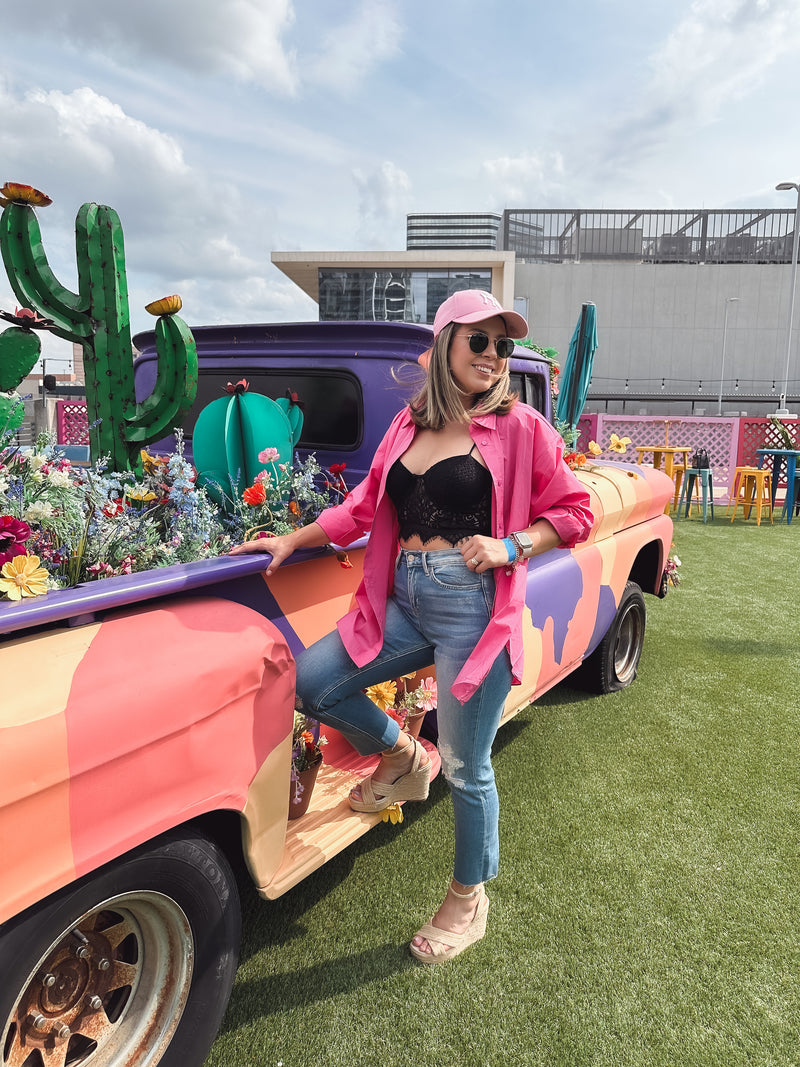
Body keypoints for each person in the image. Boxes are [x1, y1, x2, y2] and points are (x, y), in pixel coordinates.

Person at [230, 289, 593, 963]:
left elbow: (576, 511)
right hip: (401, 599)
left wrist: (511, 546)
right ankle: (401, 756)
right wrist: (291, 537)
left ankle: (468, 894)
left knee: (467, 763)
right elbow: (365, 505)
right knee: (313, 682)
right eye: (478, 340)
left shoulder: (521, 429)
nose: (492, 355)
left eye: (502, 345)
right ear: (446, 341)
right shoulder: (409, 423)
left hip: (473, 613)